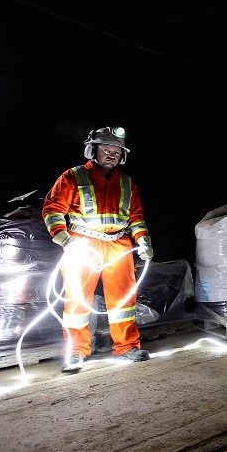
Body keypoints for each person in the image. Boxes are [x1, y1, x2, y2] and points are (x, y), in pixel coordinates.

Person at [42, 126, 154, 372]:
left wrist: (143, 240)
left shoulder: (127, 183)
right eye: (106, 149)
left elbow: (136, 218)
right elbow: (52, 210)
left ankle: (127, 346)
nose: (112, 154)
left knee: (124, 300)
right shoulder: (73, 176)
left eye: (117, 150)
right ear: (93, 149)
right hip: (82, 244)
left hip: (119, 245)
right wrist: (64, 240)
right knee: (77, 300)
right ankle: (76, 351)